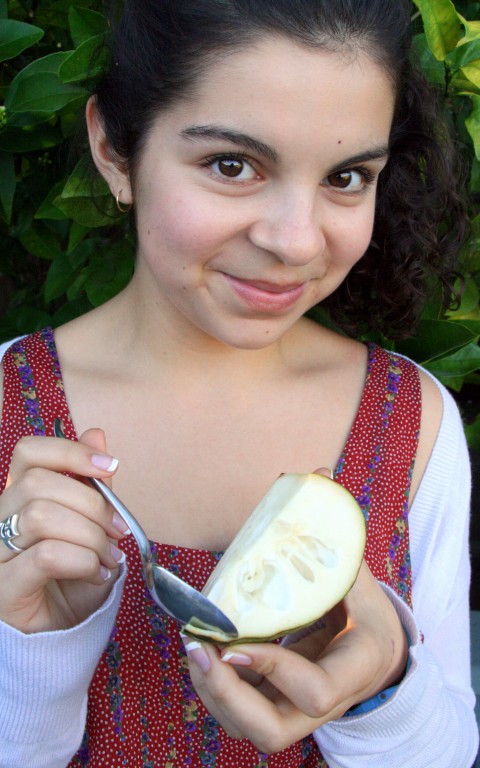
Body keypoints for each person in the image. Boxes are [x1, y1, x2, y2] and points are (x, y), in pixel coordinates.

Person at [0, 0, 478, 765]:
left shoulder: (411, 423)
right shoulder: (7, 409)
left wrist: (386, 682)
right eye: (232, 165)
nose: (295, 240)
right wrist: (32, 647)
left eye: (348, 176)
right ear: (114, 151)